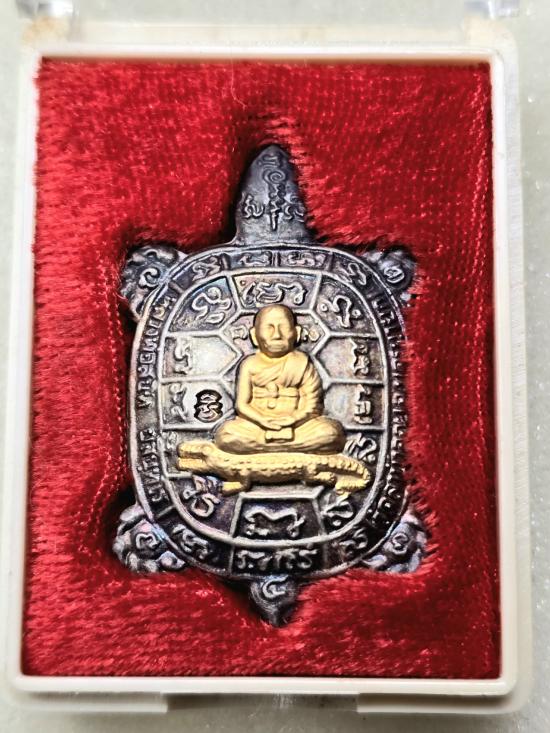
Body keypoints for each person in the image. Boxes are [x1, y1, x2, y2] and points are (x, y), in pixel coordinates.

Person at [215, 304, 345, 454]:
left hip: (298, 426)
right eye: (269, 328)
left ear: (296, 333)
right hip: (255, 425)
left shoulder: (302, 363)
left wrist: (293, 419)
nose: (277, 335)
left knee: (330, 433)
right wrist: (261, 420)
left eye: (283, 327)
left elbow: (313, 405)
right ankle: (292, 449)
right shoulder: (249, 365)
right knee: (227, 435)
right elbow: (242, 405)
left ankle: (265, 448)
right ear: (254, 336)